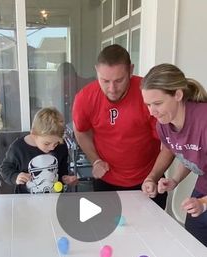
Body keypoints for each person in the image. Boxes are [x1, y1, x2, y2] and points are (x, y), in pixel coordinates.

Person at [72, 44, 167, 209]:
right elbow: (80, 130)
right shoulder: (85, 97)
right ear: (96, 71)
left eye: (119, 80)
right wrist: (95, 160)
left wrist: (153, 176)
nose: (112, 89)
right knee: (108, 232)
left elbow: (169, 143)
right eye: (105, 80)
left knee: (151, 232)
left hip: (147, 181)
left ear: (131, 70)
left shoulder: (149, 94)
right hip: (106, 182)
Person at [141, 63, 207, 246]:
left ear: (178, 95)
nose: (152, 112)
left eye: (157, 103)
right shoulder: (163, 124)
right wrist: (174, 180)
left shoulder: (204, 121)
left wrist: (204, 203)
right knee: (194, 238)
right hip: (204, 185)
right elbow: (188, 150)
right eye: (148, 105)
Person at [0, 107, 77, 194]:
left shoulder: (61, 147)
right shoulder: (18, 148)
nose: (52, 148)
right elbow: (5, 169)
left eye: (55, 143)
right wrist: (15, 177)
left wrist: (66, 179)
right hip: (25, 201)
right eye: (47, 144)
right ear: (33, 134)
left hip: (54, 200)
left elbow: (62, 171)